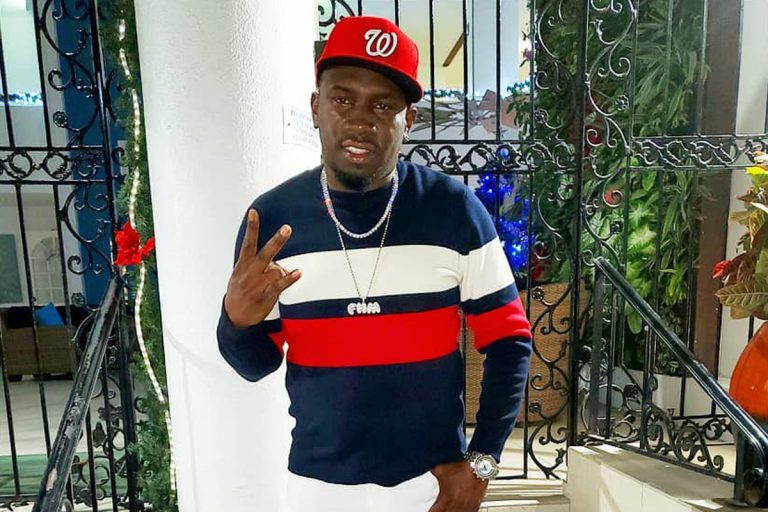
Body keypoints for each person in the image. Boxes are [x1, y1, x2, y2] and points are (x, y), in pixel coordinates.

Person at [217, 15, 532, 512]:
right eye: (343, 100)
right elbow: (256, 366)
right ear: (316, 108)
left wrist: (482, 464)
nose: (362, 120)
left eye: (383, 105)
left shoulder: (453, 212)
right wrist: (235, 322)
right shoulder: (274, 222)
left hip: (432, 486)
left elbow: (509, 341)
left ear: (409, 118)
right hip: (316, 489)